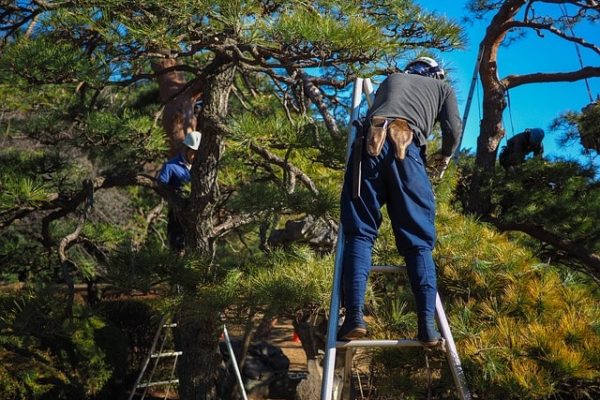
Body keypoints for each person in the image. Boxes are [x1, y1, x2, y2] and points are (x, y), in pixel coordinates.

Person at [338, 57, 462, 346]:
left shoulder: (390, 81)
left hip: (369, 146)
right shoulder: (442, 88)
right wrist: (443, 157)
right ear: (436, 74)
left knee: (360, 233)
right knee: (418, 240)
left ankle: (354, 317)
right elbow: (453, 131)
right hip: (409, 152)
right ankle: (427, 326)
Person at [157, 131, 202, 251]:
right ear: (186, 149)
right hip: (177, 214)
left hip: (197, 214)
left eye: (197, 153)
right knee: (177, 246)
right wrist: (176, 196)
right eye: (193, 152)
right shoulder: (170, 166)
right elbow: (161, 186)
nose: (195, 156)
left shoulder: (202, 167)